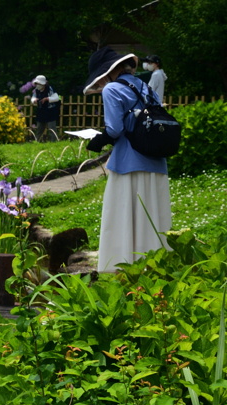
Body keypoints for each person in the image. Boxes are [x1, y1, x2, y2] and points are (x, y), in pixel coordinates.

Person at [83, 47, 170, 272]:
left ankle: (121, 268)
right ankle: (154, 269)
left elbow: (114, 129)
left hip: (127, 164)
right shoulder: (148, 88)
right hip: (156, 162)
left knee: (122, 216)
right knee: (152, 218)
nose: (101, 82)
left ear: (110, 71)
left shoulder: (112, 89)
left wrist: (98, 141)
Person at [30, 75, 60, 142]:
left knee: (52, 128)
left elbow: (57, 98)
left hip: (50, 111)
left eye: (39, 83)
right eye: (36, 84)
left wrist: (47, 99)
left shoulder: (50, 89)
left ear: (43, 84)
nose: (37, 85)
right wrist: (34, 100)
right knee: (39, 128)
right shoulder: (36, 90)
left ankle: (54, 142)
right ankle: (37, 142)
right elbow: (32, 98)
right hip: (41, 111)